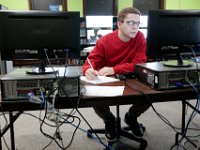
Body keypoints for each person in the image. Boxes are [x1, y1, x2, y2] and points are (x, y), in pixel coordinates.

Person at [82, 7, 150, 141]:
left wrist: (115, 69)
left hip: (130, 78)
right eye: (131, 22)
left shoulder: (140, 37)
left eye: (137, 23)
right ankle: (109, 120)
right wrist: (88, 70)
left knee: (150, 94)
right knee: (95, 97)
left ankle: (131, 117)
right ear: (120, 24)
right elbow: (90, 62)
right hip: (106, 80)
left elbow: (139, 63)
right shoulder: (105, 41)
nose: (135, 27)